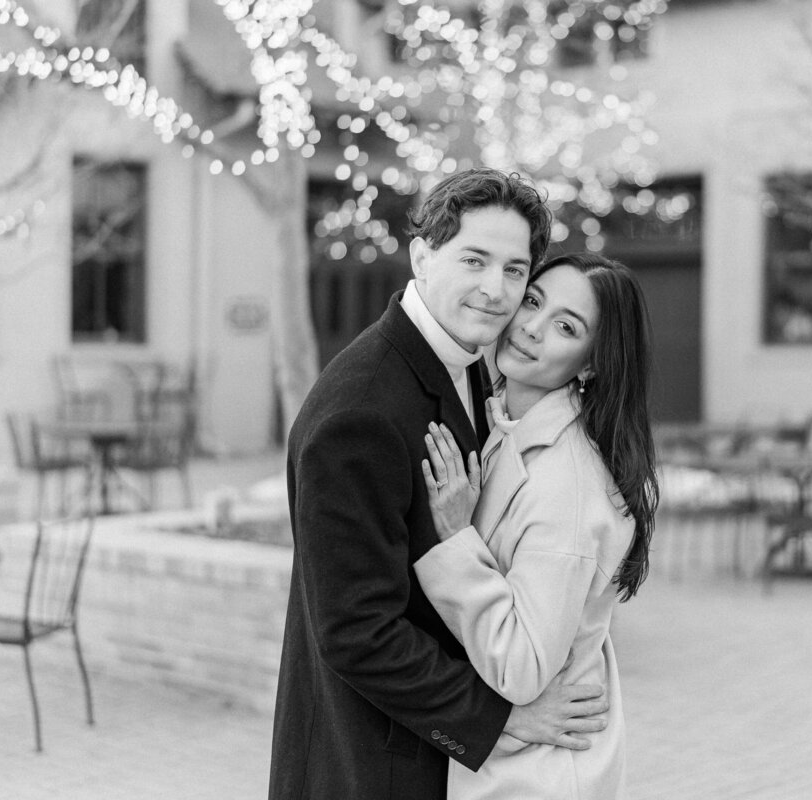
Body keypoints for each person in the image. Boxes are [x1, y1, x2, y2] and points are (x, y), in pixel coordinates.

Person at [269, 169, 610, 800]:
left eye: (515, 270)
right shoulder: (361, 412)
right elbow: (354, 630)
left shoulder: (471, 367)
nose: (495, 290)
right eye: (474, 260)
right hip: (374, 765)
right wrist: (499, 721)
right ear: (423, 255)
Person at [416, 252, 659, 799]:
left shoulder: (566, 488)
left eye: (566, 326)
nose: (530, 328)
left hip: (537, 777)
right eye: (533, 301)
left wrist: (457, 540)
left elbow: (523, 667)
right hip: (506, 764)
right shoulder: (501, 420)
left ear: (591, 363)